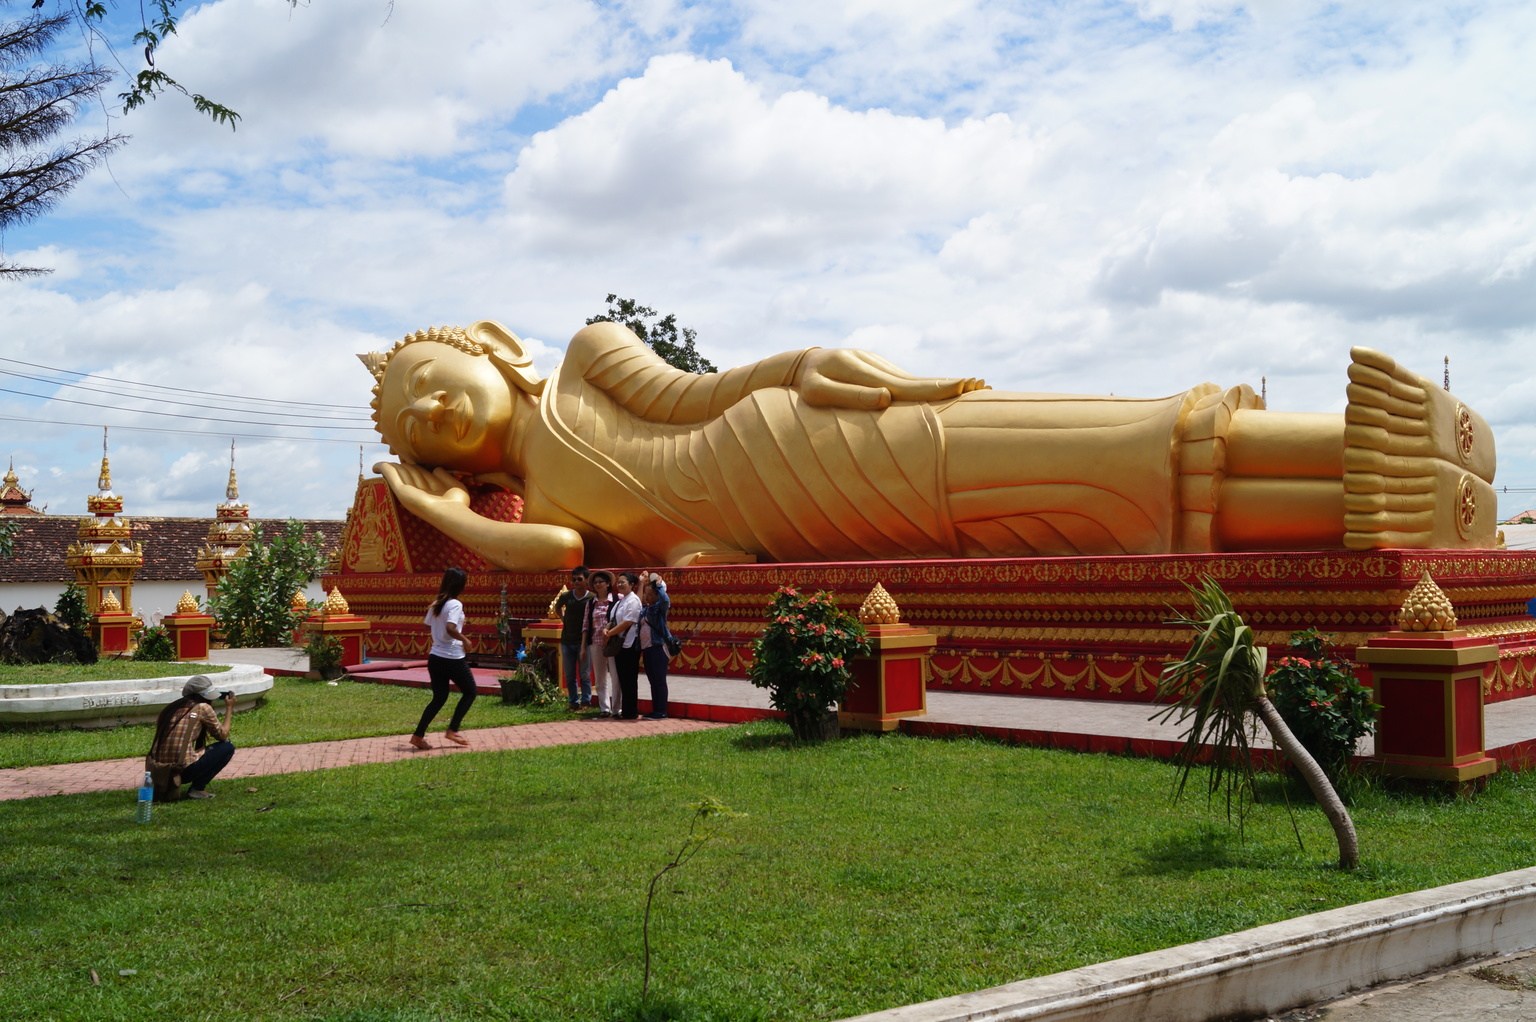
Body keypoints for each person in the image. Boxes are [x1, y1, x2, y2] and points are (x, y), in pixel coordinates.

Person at [363, 322, 1497, 569]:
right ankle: (1366, 509)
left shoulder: (582, 358)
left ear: (491, 346)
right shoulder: (545, 511)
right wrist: (436, 510)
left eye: (430, 380)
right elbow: (559, 555)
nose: (431, 410)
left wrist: (804, 363)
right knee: (1073, 507)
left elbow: (694, 390)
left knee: (1086, 437)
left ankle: (1362, 440)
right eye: (416, 426)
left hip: (798, 435)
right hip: (800, 527)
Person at [411, 566, 476, 750]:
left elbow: (426, 626)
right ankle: (452, 730)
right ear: (460, 585)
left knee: (439, 698)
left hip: (435, 657)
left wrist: (439, 629)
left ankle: (418, 735)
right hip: (452, 657)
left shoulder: (437, 604)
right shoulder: (455, 604)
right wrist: (465, 640)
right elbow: (450, 628)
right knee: (470, 692)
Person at [145, 675, 235, 801]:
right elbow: (223, 735)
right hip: (180, 771)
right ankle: (197, 789)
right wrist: (229, 708)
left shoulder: (171, 708)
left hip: (159, 771)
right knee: (227, 747)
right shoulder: (202, 708)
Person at [555, 566, 594, 711]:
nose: (576, 582)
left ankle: (586, 701)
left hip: (584, 641)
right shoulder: (567, 596)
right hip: (567, 640)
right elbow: (557, 607)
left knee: (584, 673)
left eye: (579, 579)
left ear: (586, 580)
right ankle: (573, 701)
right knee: (569, 674)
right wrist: (563, 618)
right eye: (574, 579)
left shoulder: (592, 598)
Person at [607, 571, 644, 719]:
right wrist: (606, 630)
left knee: (629, 679)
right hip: (619, 645)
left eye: (623, 582)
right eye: (619, 582)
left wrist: (610, 633)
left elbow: (628, 622)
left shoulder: (633, 600)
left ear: (632, 585)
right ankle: (625, 709)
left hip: (630, 643)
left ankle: (630, 711)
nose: (620, 584)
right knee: (622, 677)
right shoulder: (620, 601)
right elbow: (612, 620)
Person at [583, 571, 618, 717]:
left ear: (608, 584)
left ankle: (617, 708)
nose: (598, 584)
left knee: (616, 676)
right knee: (600, 677)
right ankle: (605, 708)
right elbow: (586, 626)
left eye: (601, 582)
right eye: (595, 582)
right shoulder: (591, 603)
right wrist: (583, 646)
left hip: (613, 643)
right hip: (596, 643)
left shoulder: (617, 599)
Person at [638, 572, 672, 720]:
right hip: (647, 648)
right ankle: (656, 709)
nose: (647, 597)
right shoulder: (645, 609)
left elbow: (665, 600)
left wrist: (659, 587)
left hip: (658, 647)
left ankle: (662, 711)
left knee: (659, 680)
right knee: (653, 681)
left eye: (651, 594)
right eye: (646, 594)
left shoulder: (660, 608)